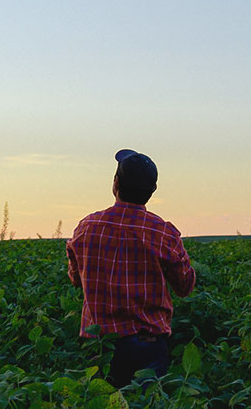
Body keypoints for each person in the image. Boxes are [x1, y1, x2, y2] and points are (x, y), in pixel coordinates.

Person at [66, 149, 196, 387]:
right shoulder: (163, 232)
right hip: (147, 345)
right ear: (152, 191)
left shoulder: (86, 227)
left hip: (99, 345)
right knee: (145, 401)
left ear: (115, 184)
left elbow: (75, 278)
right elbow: (185, 286)